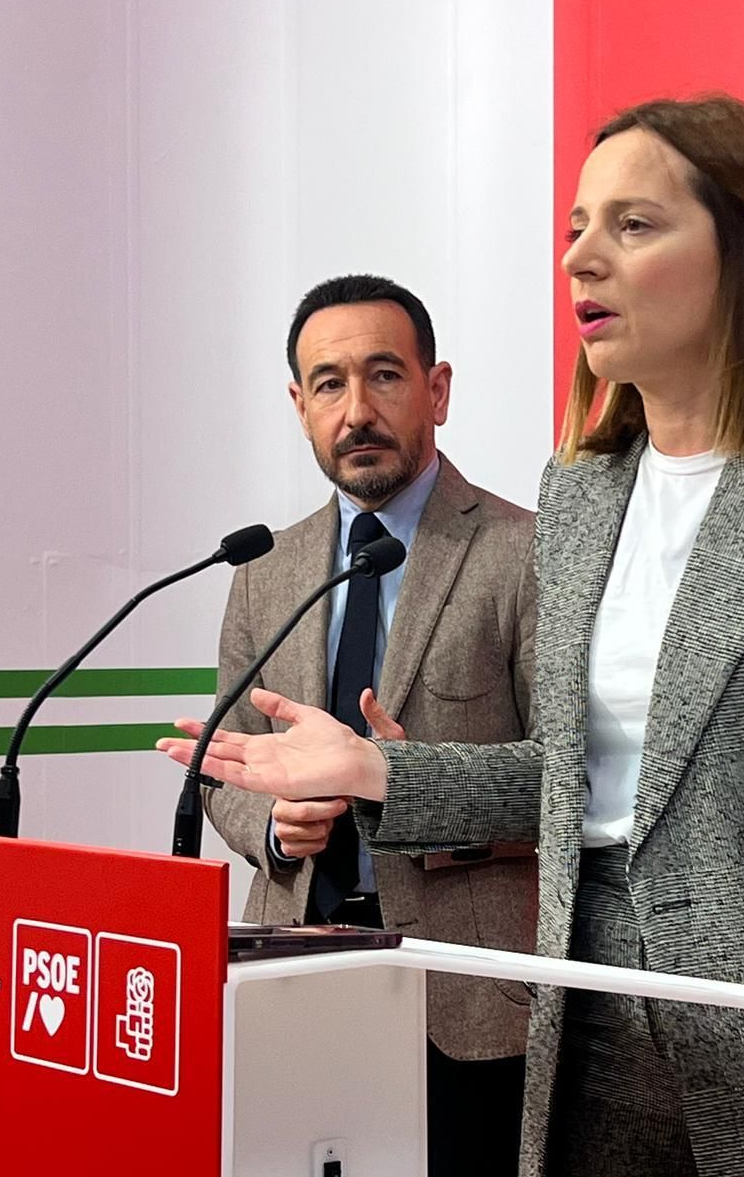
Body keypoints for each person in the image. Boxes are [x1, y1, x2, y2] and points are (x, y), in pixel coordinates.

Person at [163, 97, 744, 1176]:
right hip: (598, 1022)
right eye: (575, 227)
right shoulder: (578, 494)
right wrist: (382, 773)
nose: (580, 257)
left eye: (632, 225)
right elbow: (576, 782)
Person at [201, 273, 538, 1174]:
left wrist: (410, 786)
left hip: (468, 996)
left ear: (437, 389)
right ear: (299, 404)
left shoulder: (526, 552)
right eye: (328, 384)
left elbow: (574, 782)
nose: (356, 410)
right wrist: (271, 822)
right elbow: (221, 767)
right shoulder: (265, 569)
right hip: (291, 969)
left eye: (384, 376)